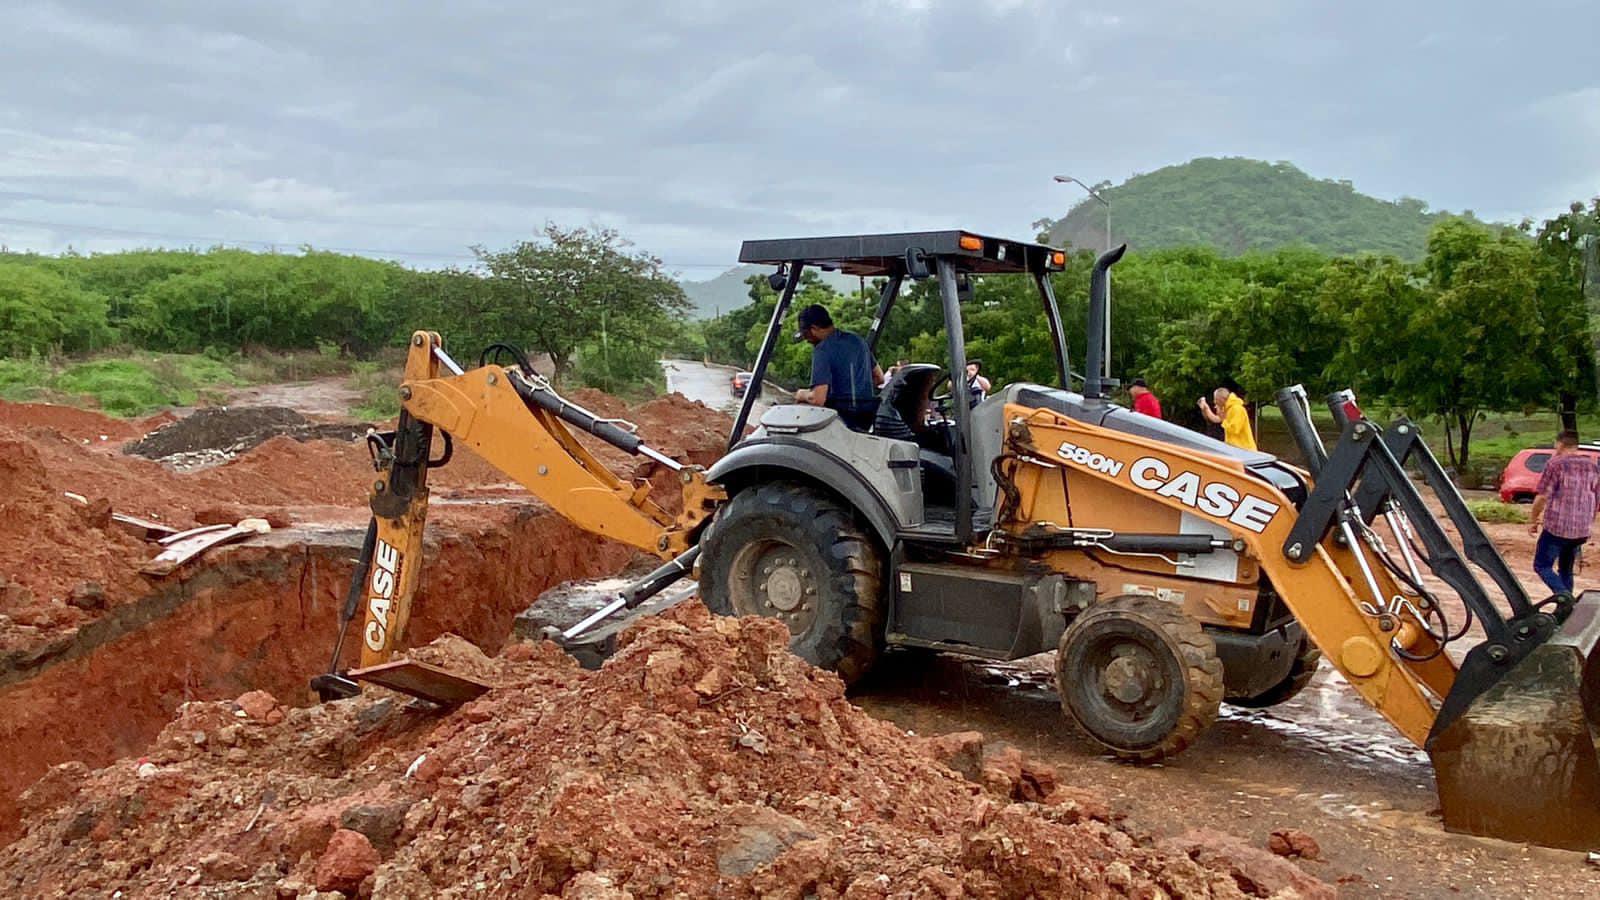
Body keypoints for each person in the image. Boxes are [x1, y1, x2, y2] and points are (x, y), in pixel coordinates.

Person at [1528, 431, 1600, 596]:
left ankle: (1564, 596)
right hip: (1582, 530)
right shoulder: (1592, 466)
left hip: (1557, 527)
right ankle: (1567, 609)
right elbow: (1596, 497)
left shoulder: (1555, 464)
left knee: (1542, 565)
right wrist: (1589, 522)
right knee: (1565, 569)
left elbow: (1542, 496)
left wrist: (1533, 519)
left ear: (1559, 444)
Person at [793, 303, 882, 431]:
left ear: (814, 328)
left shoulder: (822, 350)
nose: (807, 340)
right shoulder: (857, 341)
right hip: (866, 419)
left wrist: (802, 394)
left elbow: (817, 399)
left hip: (840, 420)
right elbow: (879, 378)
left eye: (806, 335)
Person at [1198, 387, 1256, 451]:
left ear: (1222, 399)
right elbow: (1216, 419)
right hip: (1234, 449)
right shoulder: (1226, 408)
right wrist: (1206, 408)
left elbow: (1234, 430)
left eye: (1216, 399)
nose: (1215, 402)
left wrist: (1223, 419)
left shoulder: (1237, 409)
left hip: (1245, 450)